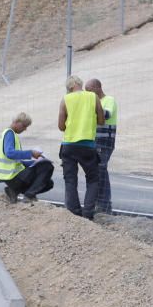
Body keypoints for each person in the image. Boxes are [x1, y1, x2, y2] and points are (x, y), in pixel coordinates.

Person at [58, 75, 104, 220]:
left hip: (69, 145)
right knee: (93, 179)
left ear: (69, 87)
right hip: (87, 145)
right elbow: (101, 121)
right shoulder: (92, 97)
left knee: (70, 180)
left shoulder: (65, 99)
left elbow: (61, 126)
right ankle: (88, 213)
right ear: (80, 84)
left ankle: (74, 213)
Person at [0, 112, 55, 203]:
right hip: (12, 176)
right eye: (24, 126)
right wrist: (31, 153)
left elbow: (16, 161)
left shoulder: (11, 135)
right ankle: (29, 196)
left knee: (48, 183)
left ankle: (14, 191)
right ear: (16, 122)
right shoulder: (9, 133)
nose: (25, 129)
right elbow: (10, 153)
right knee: (47, 166)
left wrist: (35, 162)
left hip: (12, 177)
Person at [85, 78, 117, 215]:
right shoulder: (93, 101)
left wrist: (91, 108)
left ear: (98, 88)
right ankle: (100, 203)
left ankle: (104, 205)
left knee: (101, 170)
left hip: (105, 143)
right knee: (96, 171)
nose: (89, 94)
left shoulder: (109, 100)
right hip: (95, 142)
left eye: (90, 90)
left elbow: (107, 114)